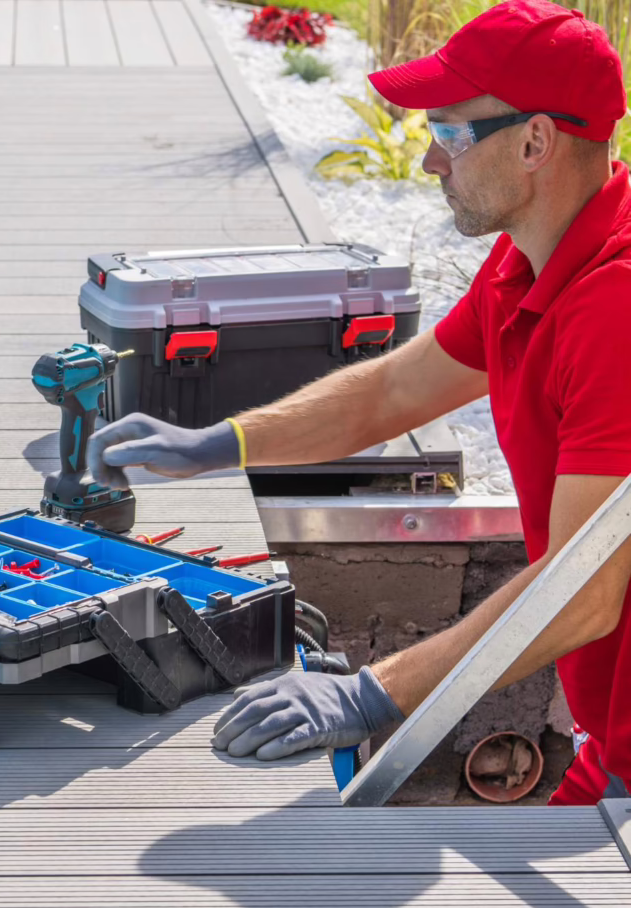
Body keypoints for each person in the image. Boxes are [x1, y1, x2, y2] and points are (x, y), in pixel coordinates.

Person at [86, 0, 631, 805]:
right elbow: (396, 388)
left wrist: (368, 695)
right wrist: (218, 441)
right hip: (606, 731)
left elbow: (585, 590)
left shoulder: (612, 309)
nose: (429, 164)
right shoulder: (532, 259)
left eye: (448, 134)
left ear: (535, 141)